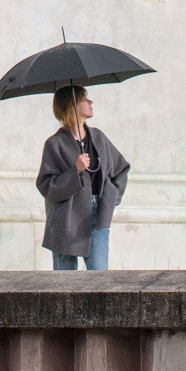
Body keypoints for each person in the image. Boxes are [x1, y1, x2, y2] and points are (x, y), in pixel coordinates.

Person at [35, 86, 129, 271]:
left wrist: (111, 199)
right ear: (72, 105)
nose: (90, 102)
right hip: (65, 220)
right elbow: (47, 187)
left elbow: (121, 169)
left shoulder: (98, 137)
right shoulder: (55, 144)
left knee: (99, 278)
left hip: (97, 214)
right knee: (65, 281)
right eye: (85, 99)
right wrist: (75, 171)